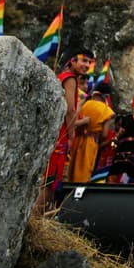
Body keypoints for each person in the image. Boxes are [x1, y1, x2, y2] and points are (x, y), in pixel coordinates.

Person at [39, 48, 94, 209]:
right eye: (83, 60)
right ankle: (36, 217)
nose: (87, 65)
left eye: (89, 62)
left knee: (49, 180)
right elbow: (69, 110)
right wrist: (70, 136)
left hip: (55, 132)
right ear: (72, 61)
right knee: (50, 180)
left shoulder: (63, 77)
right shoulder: (70, 79)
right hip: (61, 135)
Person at [68, 89, 115, 183]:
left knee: (73, 167)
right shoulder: (106, 110)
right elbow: (105, 134)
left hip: (77, 139)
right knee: (85, 169)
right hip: (91, 142)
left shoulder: (84, 104)